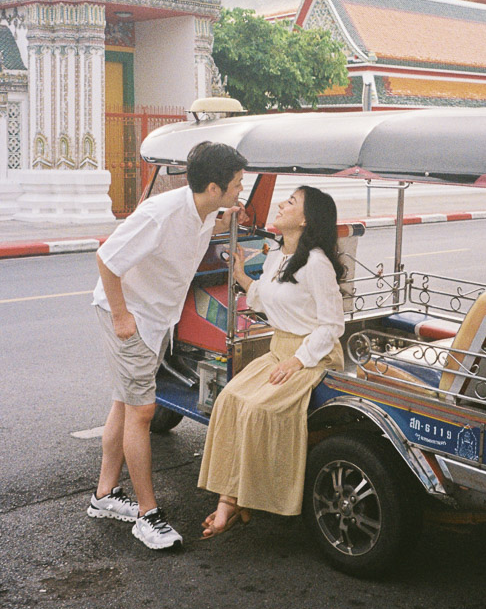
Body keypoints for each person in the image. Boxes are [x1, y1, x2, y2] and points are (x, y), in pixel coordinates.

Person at [88, 140, 247, 550]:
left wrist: (227, 217)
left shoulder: (201, 210)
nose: (240, 190)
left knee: (124, 405)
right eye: (236, 185)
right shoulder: (161, 214)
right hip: (133, 318)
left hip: (156, 318)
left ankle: (104, 495)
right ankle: (147, 514)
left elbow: (202, 226)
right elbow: (107, 259)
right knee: (142, 411)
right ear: (213, 187)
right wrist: (123, 317)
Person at [198, 185, 345, 537]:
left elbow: (332, 325)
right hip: (279, 350)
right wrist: (241, 277)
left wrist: (297, 362)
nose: (281, 204)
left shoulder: (317, 264)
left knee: (258, 410)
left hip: (312, 356)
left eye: (290, 202)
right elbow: (266, 299)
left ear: (306, 220)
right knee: (230, 401)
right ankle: (229, 501)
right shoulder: (278, 257)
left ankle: (241, 502)